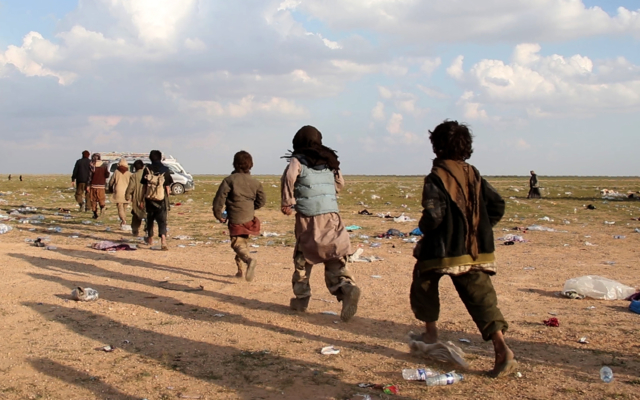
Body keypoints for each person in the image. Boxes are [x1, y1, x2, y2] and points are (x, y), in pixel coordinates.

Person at [410, 120, 516, 377]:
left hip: (444, 249)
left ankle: (430, 332)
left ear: (436, 146)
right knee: (480, 296)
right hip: (476, 249)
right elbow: (497, 204)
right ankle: (501, 347)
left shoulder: (437, 176)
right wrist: (479, 228)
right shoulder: (474, 174)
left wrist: (422, 229)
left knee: (423, 279)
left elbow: (434, 216)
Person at [281, 125, 360, 322]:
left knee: (303, 258)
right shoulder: (330, 160)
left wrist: (288, 202)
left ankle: (301, 299)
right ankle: (346, 288)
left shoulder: (297, 160)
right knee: (333, 256)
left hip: (309, 217)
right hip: (332, 216)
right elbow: (340, 184)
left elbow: (289, 178)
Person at [212, 151, 266, 281]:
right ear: (251, 165)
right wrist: (251, 208)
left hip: (236, 218)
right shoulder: (255, 182)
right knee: (243, 244)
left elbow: (219, 199)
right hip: (249, 218)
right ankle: (240, 270)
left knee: (237, 244)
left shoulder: (229, 180)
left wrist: (218, 214)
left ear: (235, 164)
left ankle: (249, 260)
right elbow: (261, 201)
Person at [141, 150, 173, 250]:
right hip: (161, 198)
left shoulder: (147, 169)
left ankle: (150, 238)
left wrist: (141, 199)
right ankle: (163, 239)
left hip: (149, 198)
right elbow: (167, 187)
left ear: (150, 158)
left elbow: (144, 186)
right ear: (160, 157)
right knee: (162, 220)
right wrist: (167, 198)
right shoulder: (165, 170)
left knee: (150, 218)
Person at [125, 160, 147, 237]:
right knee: (147, 215)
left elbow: (131, 187)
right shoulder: (148, 175)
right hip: (147, 198)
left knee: (136, 215)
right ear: (143, 166)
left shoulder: (134, 176)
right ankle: (148, 230)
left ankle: (135, 230)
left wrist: (127, 196)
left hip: (137, 197)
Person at [108, 158, 132, 228]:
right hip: (127, 192)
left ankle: (123, 220)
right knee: (124, 207)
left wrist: (110, 188)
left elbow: (111, 182)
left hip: (118, 192)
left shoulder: (116, 172)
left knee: (120, 207)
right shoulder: (129, 174)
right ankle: (123, 220)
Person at [88, 153, 110, 219]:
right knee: (101, 199)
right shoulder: (104, 165)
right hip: (101, 186)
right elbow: (107, 175)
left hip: (93, 185)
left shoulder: (91, 165)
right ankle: (102, 207)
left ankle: (95, 214)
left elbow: (89, 176)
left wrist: (88, 185)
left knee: (93, 200)